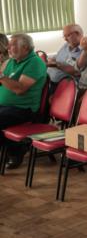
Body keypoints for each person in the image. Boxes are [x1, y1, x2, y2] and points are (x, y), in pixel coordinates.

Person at [0, 34, 48, 169]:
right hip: (5, 106)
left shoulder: (35, 63)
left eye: (12, 44)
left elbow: (20, 89)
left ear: (25, 47)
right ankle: (13, 149)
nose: (8, 47)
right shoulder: (11, 61)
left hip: (23, 109)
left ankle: (15, 151)